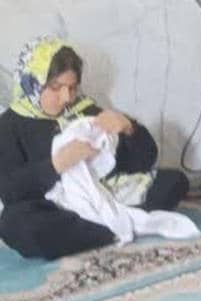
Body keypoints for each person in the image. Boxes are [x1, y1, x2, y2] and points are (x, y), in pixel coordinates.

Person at [0, 36, 189, 259]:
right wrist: (56, 165)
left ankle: (100, 229)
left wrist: (129, 129)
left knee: (175, 181)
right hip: (54, 207)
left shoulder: (84, 110)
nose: (66, 97)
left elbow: (143, 161)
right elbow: (10, 191)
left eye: (71, 87)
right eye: (56, 88)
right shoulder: (10, 124)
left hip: (105, 194)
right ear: (33, 83)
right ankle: (114, 227)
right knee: (17, 225)